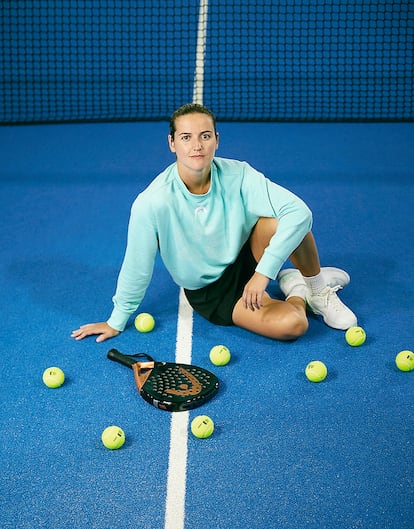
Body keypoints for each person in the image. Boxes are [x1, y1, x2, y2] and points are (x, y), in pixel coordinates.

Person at [71, 103, 357, 344]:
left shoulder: (240, 174)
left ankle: (318, 290)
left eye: (205, 136)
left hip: (248, 257)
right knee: (293, 326)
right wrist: (117, 320)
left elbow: (300, 213)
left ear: (216, 140)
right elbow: (137, 266)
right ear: (172, 143)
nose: (196, 146)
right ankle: (297, 289)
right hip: (213, 293)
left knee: (288, 223)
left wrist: (263, 275)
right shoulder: (152, 203)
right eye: (186, 137)